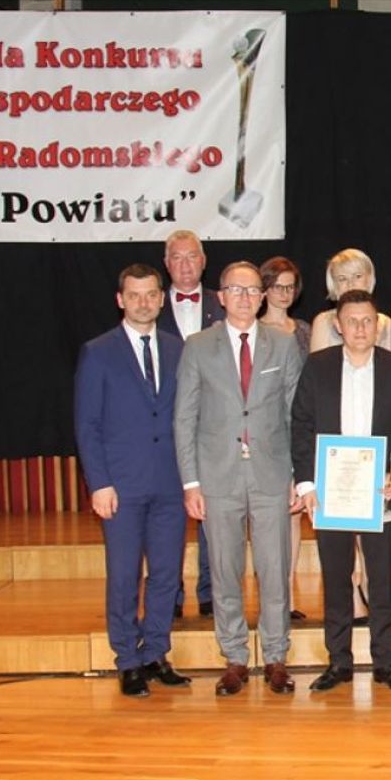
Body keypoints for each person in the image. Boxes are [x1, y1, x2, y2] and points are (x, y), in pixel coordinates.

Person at [174, 261, 305, 697]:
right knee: (225, 571)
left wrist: (299, 476)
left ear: (263, 297)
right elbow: (185, 418)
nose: (245, 298)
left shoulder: (283, 345)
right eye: (236, 289)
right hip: (217, 477)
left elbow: (296, 415)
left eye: (252, 290)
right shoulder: (198, 346)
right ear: (221, 296)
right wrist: (191, 483)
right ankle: (233, 657)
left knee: (275, 570)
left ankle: (276, 656)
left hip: (272, 474)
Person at [74, 263, 192, 698]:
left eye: (151, 294)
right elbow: (87, 424)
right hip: (120, 486)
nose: (143, 302)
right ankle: (126, 659)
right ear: (120, 300)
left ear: (162, 299)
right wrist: (99, 483)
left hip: (170, 483)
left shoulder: (179, 349)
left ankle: (156, 652)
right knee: (124, 575)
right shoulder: (98, 352)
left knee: (165, 575)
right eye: (134, 295)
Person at [290, 290, 391, 693]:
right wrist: (307, 484)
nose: (361, 328)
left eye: (368, 321)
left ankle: (386, 662)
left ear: (378, 325)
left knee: (381, 580)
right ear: (338, 325)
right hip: (332, 492)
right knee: (336, 579)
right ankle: (339, 662)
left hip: (380, 492)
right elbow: (301, 426)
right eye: (352, 321)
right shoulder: (318, 366)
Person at [158, 228, 222, 621]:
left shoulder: (223, 303)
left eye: (191, 256)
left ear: (203, 261)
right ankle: (170, 594)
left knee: (213, 514)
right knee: (168, 518)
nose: (185, 265)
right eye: (177, 258)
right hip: (164, 427)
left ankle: (212, 592)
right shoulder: (150, 304)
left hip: (214, 426)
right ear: (166, 264)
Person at [260, 256, 315, 622]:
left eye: (290, 287)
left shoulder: (305, 330)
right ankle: (272, 595)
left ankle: (289, 595)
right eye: (278, 286)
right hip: (267, 430)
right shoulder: (254, 329)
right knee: (270, 517)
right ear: (264, 289)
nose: (284, 293)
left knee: (294, 511)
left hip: (301, 426)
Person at [309, 248, 391, 353]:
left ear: (369, 280)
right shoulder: (324, 322)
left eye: (357, 276)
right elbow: (318, 362)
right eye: (342, 279)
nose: (351, 284)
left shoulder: (387, 324)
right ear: (334, 285)